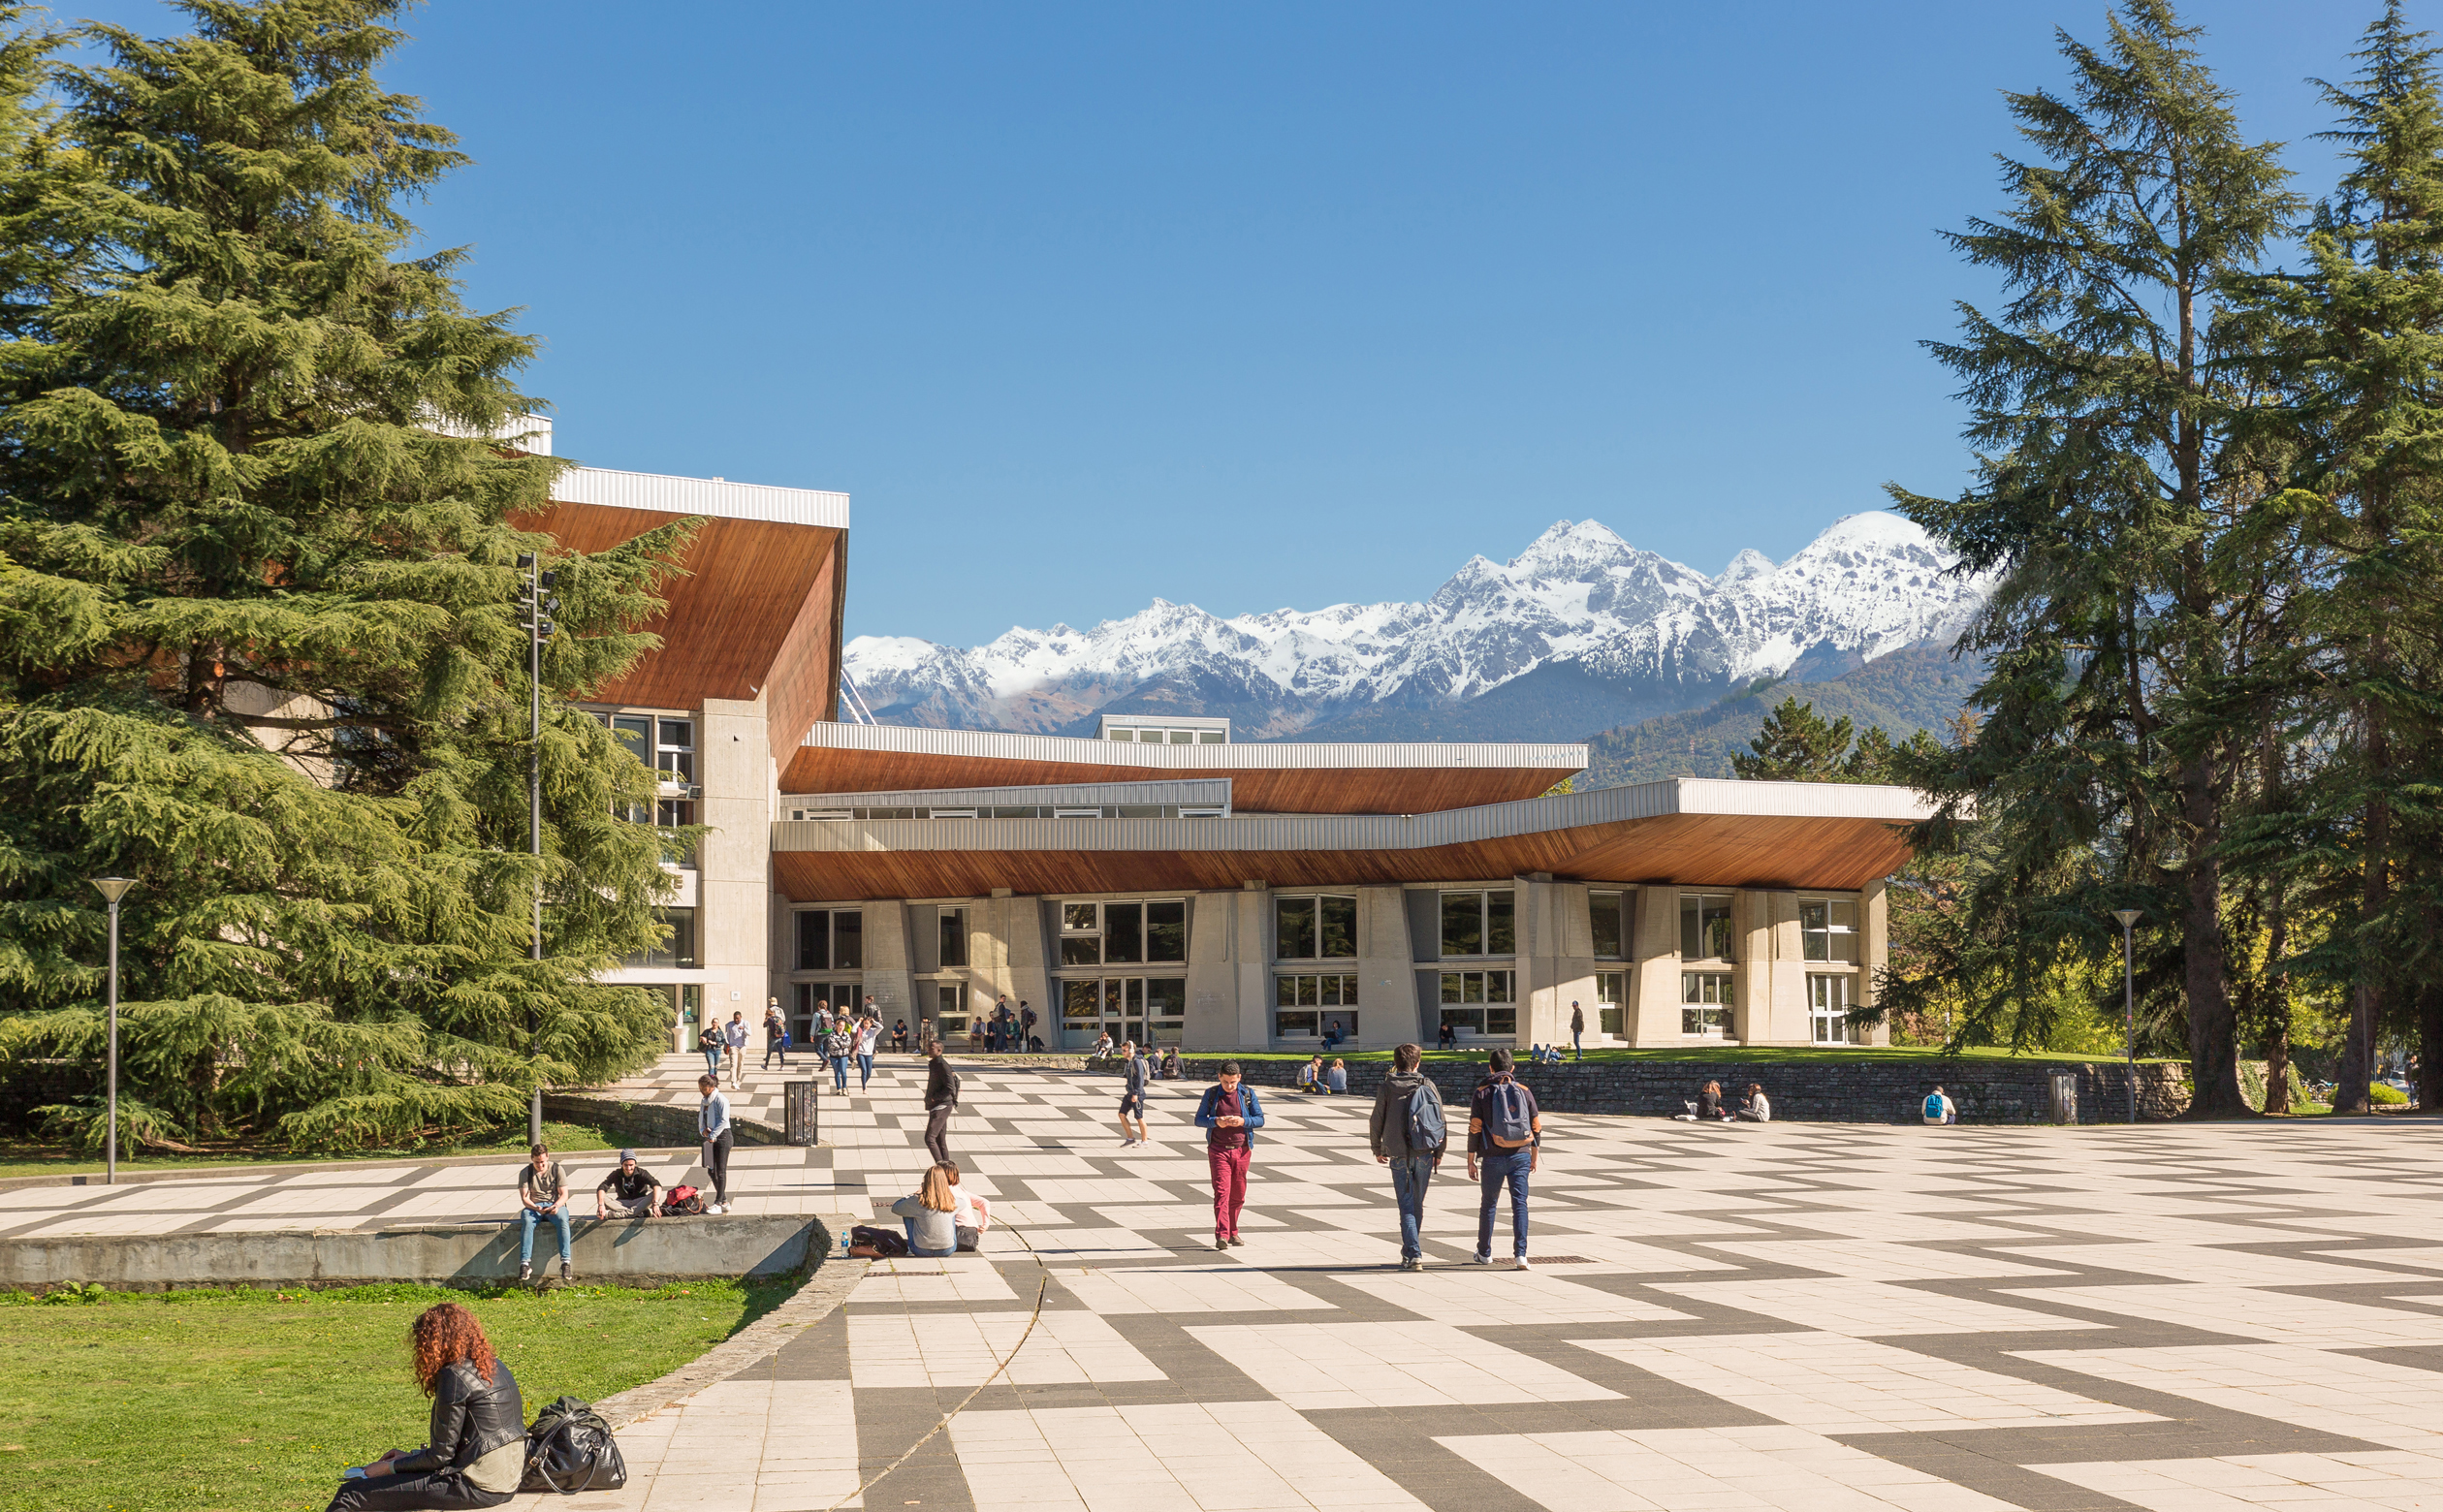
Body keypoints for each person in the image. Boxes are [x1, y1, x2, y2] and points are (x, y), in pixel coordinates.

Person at [322, 1302, 524, 1511]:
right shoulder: (491, 1364)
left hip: (476, 1486)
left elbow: (440, 1457)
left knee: (351, 1494)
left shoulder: (454, 1376)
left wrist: (388, 1468)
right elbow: (458, 1446)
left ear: (433, 1342)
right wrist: (408, 1459)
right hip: (505, 1481)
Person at [1370, 1041, 1447, 1271]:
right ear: (1417, 1063)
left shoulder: (1387, 1087)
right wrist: (1439, 1151)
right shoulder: (1427, 1084)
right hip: (1424, 1151)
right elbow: (1441, 1119)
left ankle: (1413, 1253)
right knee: (1417, 1204)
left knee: (1406, 1205)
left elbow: (1377, 1119)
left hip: (1398, 1153)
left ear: (1396, 1063)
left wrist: (1377, 1148)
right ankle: (1410, 1250)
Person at [1466, 1048, 1542, 1270]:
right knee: (1520, 1204)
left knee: (1489, 1204)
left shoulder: (1482, 1092)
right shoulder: (1525, 1091)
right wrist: (1534, 1157)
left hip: (1492, 1157)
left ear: (1490, 1068)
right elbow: (1536, 1128)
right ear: (1512, 1068)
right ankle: (1521, 1255)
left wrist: (1470, 1160)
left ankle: (1484, 1252)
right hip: (1521, 1155)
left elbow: (1474, 1129)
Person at [1193, 1061, 1266, 1249]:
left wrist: (1243, 1121)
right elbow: (1199, 1119)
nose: (1229, 1086)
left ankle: (1234, 1231)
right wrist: (1216, 1121)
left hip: (1242, 1149)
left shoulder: (1247, 1094)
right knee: (1222, 1192)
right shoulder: (1211, 1094)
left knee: (1238, 1194)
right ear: (1219, 1077)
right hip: (1218, 1150)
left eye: (1233, 1082)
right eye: (1225, 1082)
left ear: (1239, 1078)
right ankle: (1222, 1235)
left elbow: (1260, 1119)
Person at [515, 1144, 573, 1284]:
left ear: (547, 1157)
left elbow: (564, 1194)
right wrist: (535, 1207)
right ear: (532, 1159)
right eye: (537, 1162)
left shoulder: (557, 1169)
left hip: (555, 1205)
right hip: (534, 1206)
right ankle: (525, 1264)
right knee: (527, 1221)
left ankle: (566, 1262)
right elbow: (525, 1198)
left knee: (563, 1220)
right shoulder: (525, 1172)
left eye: (542, 1162)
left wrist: (556, 1205)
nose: (540, 1165)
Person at [892, 1163, 963, 1257]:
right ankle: (944, 1240)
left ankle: (913, 1241)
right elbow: (963, 1203)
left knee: (907, 1212)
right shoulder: (951, 1201)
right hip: (947, 1250)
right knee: (952, 1213)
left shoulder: (916, 1201)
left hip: (920, 1250)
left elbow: (896, 1208)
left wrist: (912, 1195)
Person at [697, 1073, 732, 1213]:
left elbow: (724, 1120)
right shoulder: (704, 1101)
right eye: (700, 1088)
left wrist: (713, 1134)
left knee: (720, 1170)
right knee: (711, 1170)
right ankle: (724, 1200)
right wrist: (703, 1131)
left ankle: (718, 1203)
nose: (701, 1091)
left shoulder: (720, 1100)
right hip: (710, 1136)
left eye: (704, 1088)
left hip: (723, 1136)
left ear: (712, 1087)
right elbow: (702, 1117)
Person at [594, 1149, 662, 1218]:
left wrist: (655, 1204)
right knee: (602, 1197)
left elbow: (657, 1185)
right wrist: (601, 1205)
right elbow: (602, 1187)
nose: (628, 1168)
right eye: (626, 1165)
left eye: (631, 1165)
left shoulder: (642, 1173)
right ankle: (639, 1214)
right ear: (622, 1164)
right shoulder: (616, 1173)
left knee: (653, 1195)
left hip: (639, 1202)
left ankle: (619, 1215)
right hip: (621, 1203)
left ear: (635, 1164)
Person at [924, 1039, 959, 1164]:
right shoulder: (934, 1063)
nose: (928, 1049)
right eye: (928, 1047)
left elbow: (950, 1087)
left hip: (942, 1105)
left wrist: (935, 1098)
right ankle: (948, 1171)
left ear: (939, 1050)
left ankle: (941, 1168)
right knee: (939, 1140)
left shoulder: (942, 1065)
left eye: (931, 1048)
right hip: (937, 1105)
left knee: (929, 1138)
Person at [946, 1162, 992, 1250]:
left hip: (957, 1233)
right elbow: (984, 1202)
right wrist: (985, 1225)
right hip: (972, 1235)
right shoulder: (960, 1190)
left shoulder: (943, 1191)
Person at [1118, 1041, 1151, 1147]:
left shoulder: (1136, 1062)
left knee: (1139, 1117)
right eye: (1122, 1050)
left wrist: (1136, 1093)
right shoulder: (1129, 1062)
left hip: (1137, 1094)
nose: (1122, 1052)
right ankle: (1130, 1137)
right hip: (1130, 1093)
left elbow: (1140, 1079)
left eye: (1124, 1050)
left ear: (1131, 1050)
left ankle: (1144, 1141)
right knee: (1121, 1114)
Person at [721, 1010, 747, 1087]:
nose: (736, 1020)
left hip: (742, 1046)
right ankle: (733, 1082)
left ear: (740, 1017)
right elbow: (726, 1035)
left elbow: (749, 1033)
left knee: (740, 1065)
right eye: (735, 1018)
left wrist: (744, 1029)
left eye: (737, 1019)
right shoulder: (729, 1025)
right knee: (733, 1064)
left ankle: (738, 1080)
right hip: (733, 1047)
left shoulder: (745, 1023)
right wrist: (727, 1044)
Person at [854, 1012, 880, 1091]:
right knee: (864, 1070)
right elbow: (853, 1029)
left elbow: (881, 1027)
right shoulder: (860, 1031)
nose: (866, 1025)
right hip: (860, 1053)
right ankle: (864, 1088)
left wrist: (874, 1021)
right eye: (864, 1023)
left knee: (869, 1072)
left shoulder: (873, 1031)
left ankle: (864, 1082)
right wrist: (859, 1021)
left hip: (869, 1053)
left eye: (867, 1024)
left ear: (870, 1024)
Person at [761, 998, 789, 1070]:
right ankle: (782, 1065)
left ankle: (766, 1065)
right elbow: (784, 1019)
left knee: (769, 1051)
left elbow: (764, 1025)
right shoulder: (780, 1011)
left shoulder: (770, 1017)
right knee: (780, 1051)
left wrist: (766, 1019)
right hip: (779, 1035)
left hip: (773, 1036)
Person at [827, 1018, 853, 1092]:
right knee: (837, 1072)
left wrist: (841, 1045)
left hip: (844, 1055)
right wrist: (842, 1045)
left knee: (843, 1071)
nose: (841, 1027)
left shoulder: (846, 1034)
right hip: (834, 1056)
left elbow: (848, 1043)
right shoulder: (832, 1034)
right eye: (840, 1026)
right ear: (837, 1026)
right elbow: (832, 1043)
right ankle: (838, 1088)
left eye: (843, 1026)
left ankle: (844, 1087)